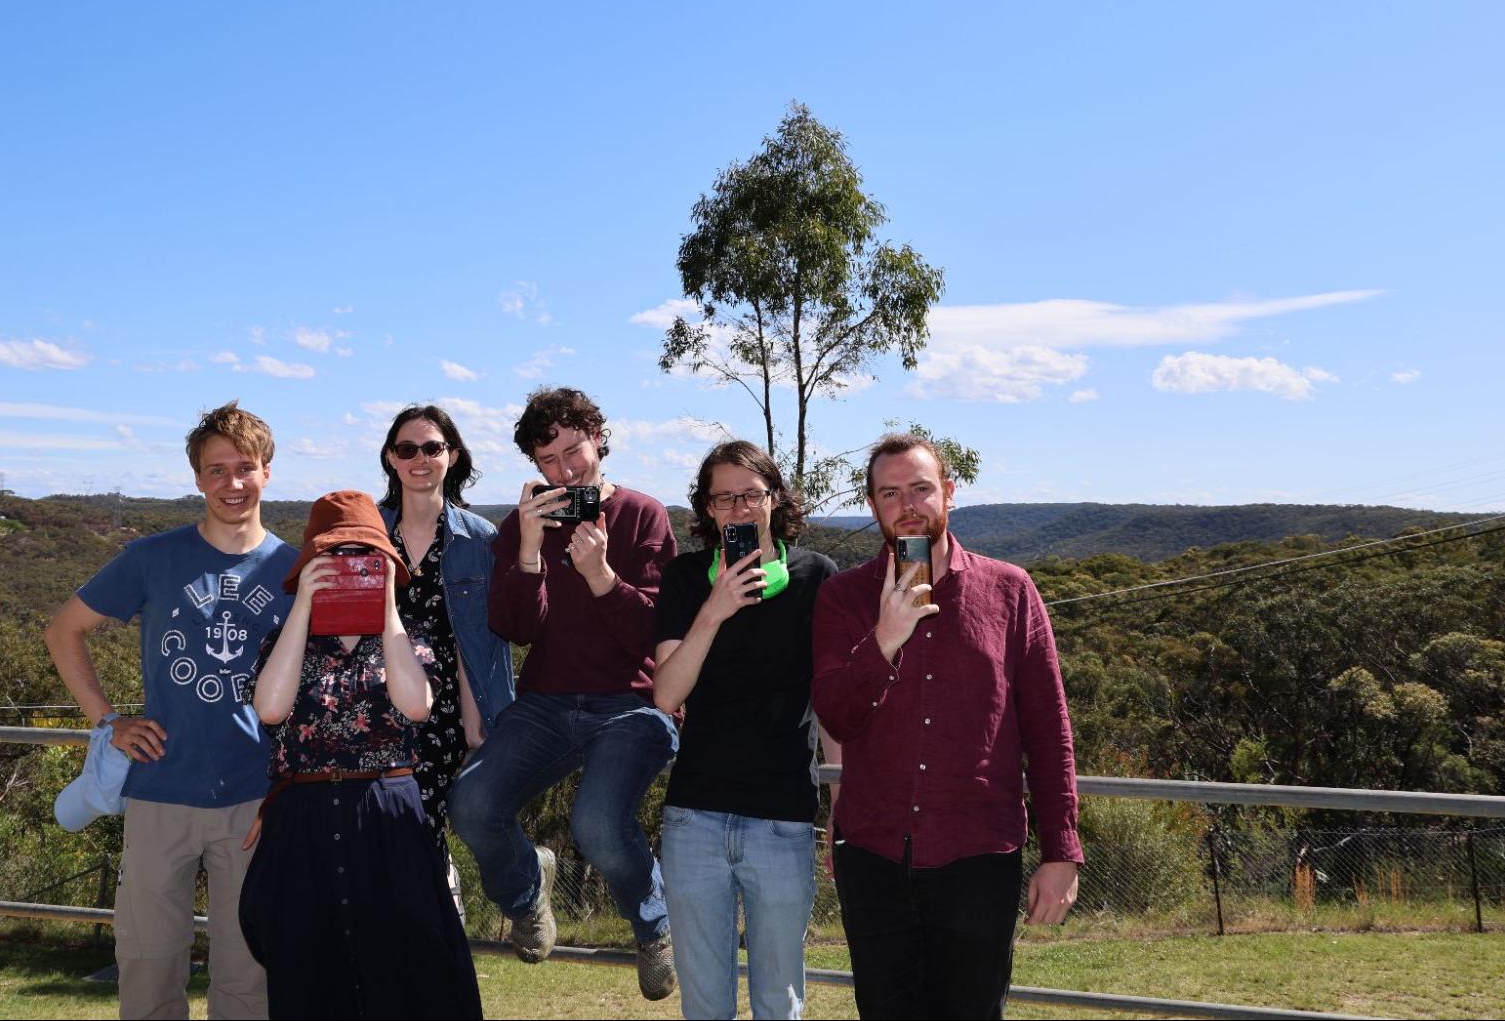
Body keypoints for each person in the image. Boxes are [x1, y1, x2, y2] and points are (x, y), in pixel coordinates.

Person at [811, 433, 1082, 1021]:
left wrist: (1062, 849)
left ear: (949, 494)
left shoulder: (1010, 590)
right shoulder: (842, 598)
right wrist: (884, 637)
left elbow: (1049, 727)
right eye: (890, 493)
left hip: (979, 855)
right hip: (874, 853)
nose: (907, 504)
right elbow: (834, 714)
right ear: (874, 504)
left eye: (921, 488)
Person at [44, 401, 294, 1021]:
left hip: (256, 797)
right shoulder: (152, 557)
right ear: (197, 479)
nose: (231, 484)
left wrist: (288, 787)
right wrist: (108, 721)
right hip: (161, 790)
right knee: (149, 966)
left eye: (244, 468)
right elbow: (63, 631)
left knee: (250, 971)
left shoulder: (296, 570)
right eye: (216, 471)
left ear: (268, 473)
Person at [446, 385, 681, 1000]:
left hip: (632, 703)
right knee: (471, 804)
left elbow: (654, 637)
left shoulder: (643, 515)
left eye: (575, 451)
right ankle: (528, 889)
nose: (566, 469)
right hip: (548, 701)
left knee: (598, 823)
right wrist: (528, 551)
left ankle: (654, 924)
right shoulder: (521, 528)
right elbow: (515, 629)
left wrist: (601, 576)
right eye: (549, 461)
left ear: (599, 439)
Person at [238, 490, 483, 1020]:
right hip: (303, 820)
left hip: (386, 815)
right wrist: (304, 604)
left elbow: (415, 706)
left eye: (364, 557)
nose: (348, 567)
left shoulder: (409, 640)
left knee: (406, 970)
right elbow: (272, 708)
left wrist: (386, 603)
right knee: (310, 971)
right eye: (334, 557)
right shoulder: (285, 640)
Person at [651, 441, 840, 1021]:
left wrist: (842, 801)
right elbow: (666, 692)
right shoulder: (685, 579)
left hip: (782, 820)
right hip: (695, 819)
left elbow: (830, 703)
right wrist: (714, 608)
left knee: (778, 1000)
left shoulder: (815, 577)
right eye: (723, 498)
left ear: (774, 500)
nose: (737, 508)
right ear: (706, 509)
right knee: (705, 1003)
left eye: (750, 495)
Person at [375, 404, 515, 847]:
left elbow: (477, 642)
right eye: (407, 448)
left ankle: (428, 914)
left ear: (451, 455)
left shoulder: (478, 539)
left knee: (421, 834)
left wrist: (476, 723)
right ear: (391, 458)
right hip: (369, 707)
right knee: (366, 836)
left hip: (441, 716)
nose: (420, 458)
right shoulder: (366, 531)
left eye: (432, 447)